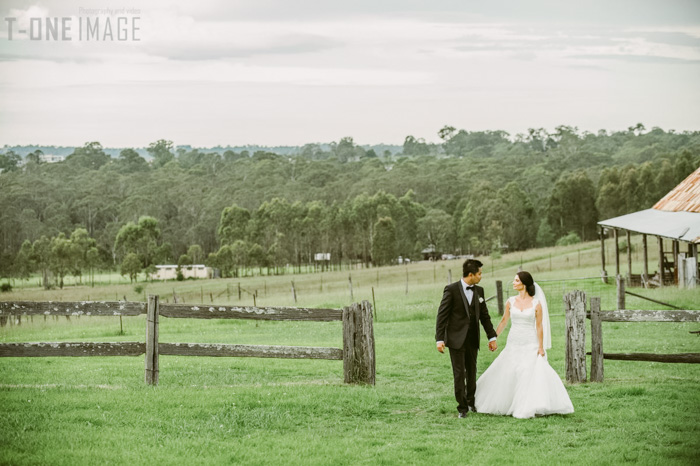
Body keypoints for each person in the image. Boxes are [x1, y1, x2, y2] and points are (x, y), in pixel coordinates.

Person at [474, 271, 574, 419]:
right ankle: (506, 402)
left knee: (527, 371)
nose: (513, 283)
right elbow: (503, 321)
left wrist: (540, 347)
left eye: (516, 281)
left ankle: (527, 405)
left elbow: (539, 327)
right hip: (514, 341)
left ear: (524, 284)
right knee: (509, 370)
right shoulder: (510, 301)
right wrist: (493, 338)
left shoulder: (536, 303)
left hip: (530, 341)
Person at [435, 259, 497, 418]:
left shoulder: (480, 291)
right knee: (459, 374)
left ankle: (471, 402)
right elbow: (442, 316)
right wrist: (439, 339)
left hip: (472, 339)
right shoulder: (451, 290)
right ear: (471, 275)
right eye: (479, 273)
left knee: (471, 372)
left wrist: (491, 337)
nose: (481, 277)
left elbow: (484, 316)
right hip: (456, 339)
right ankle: (462, 408)